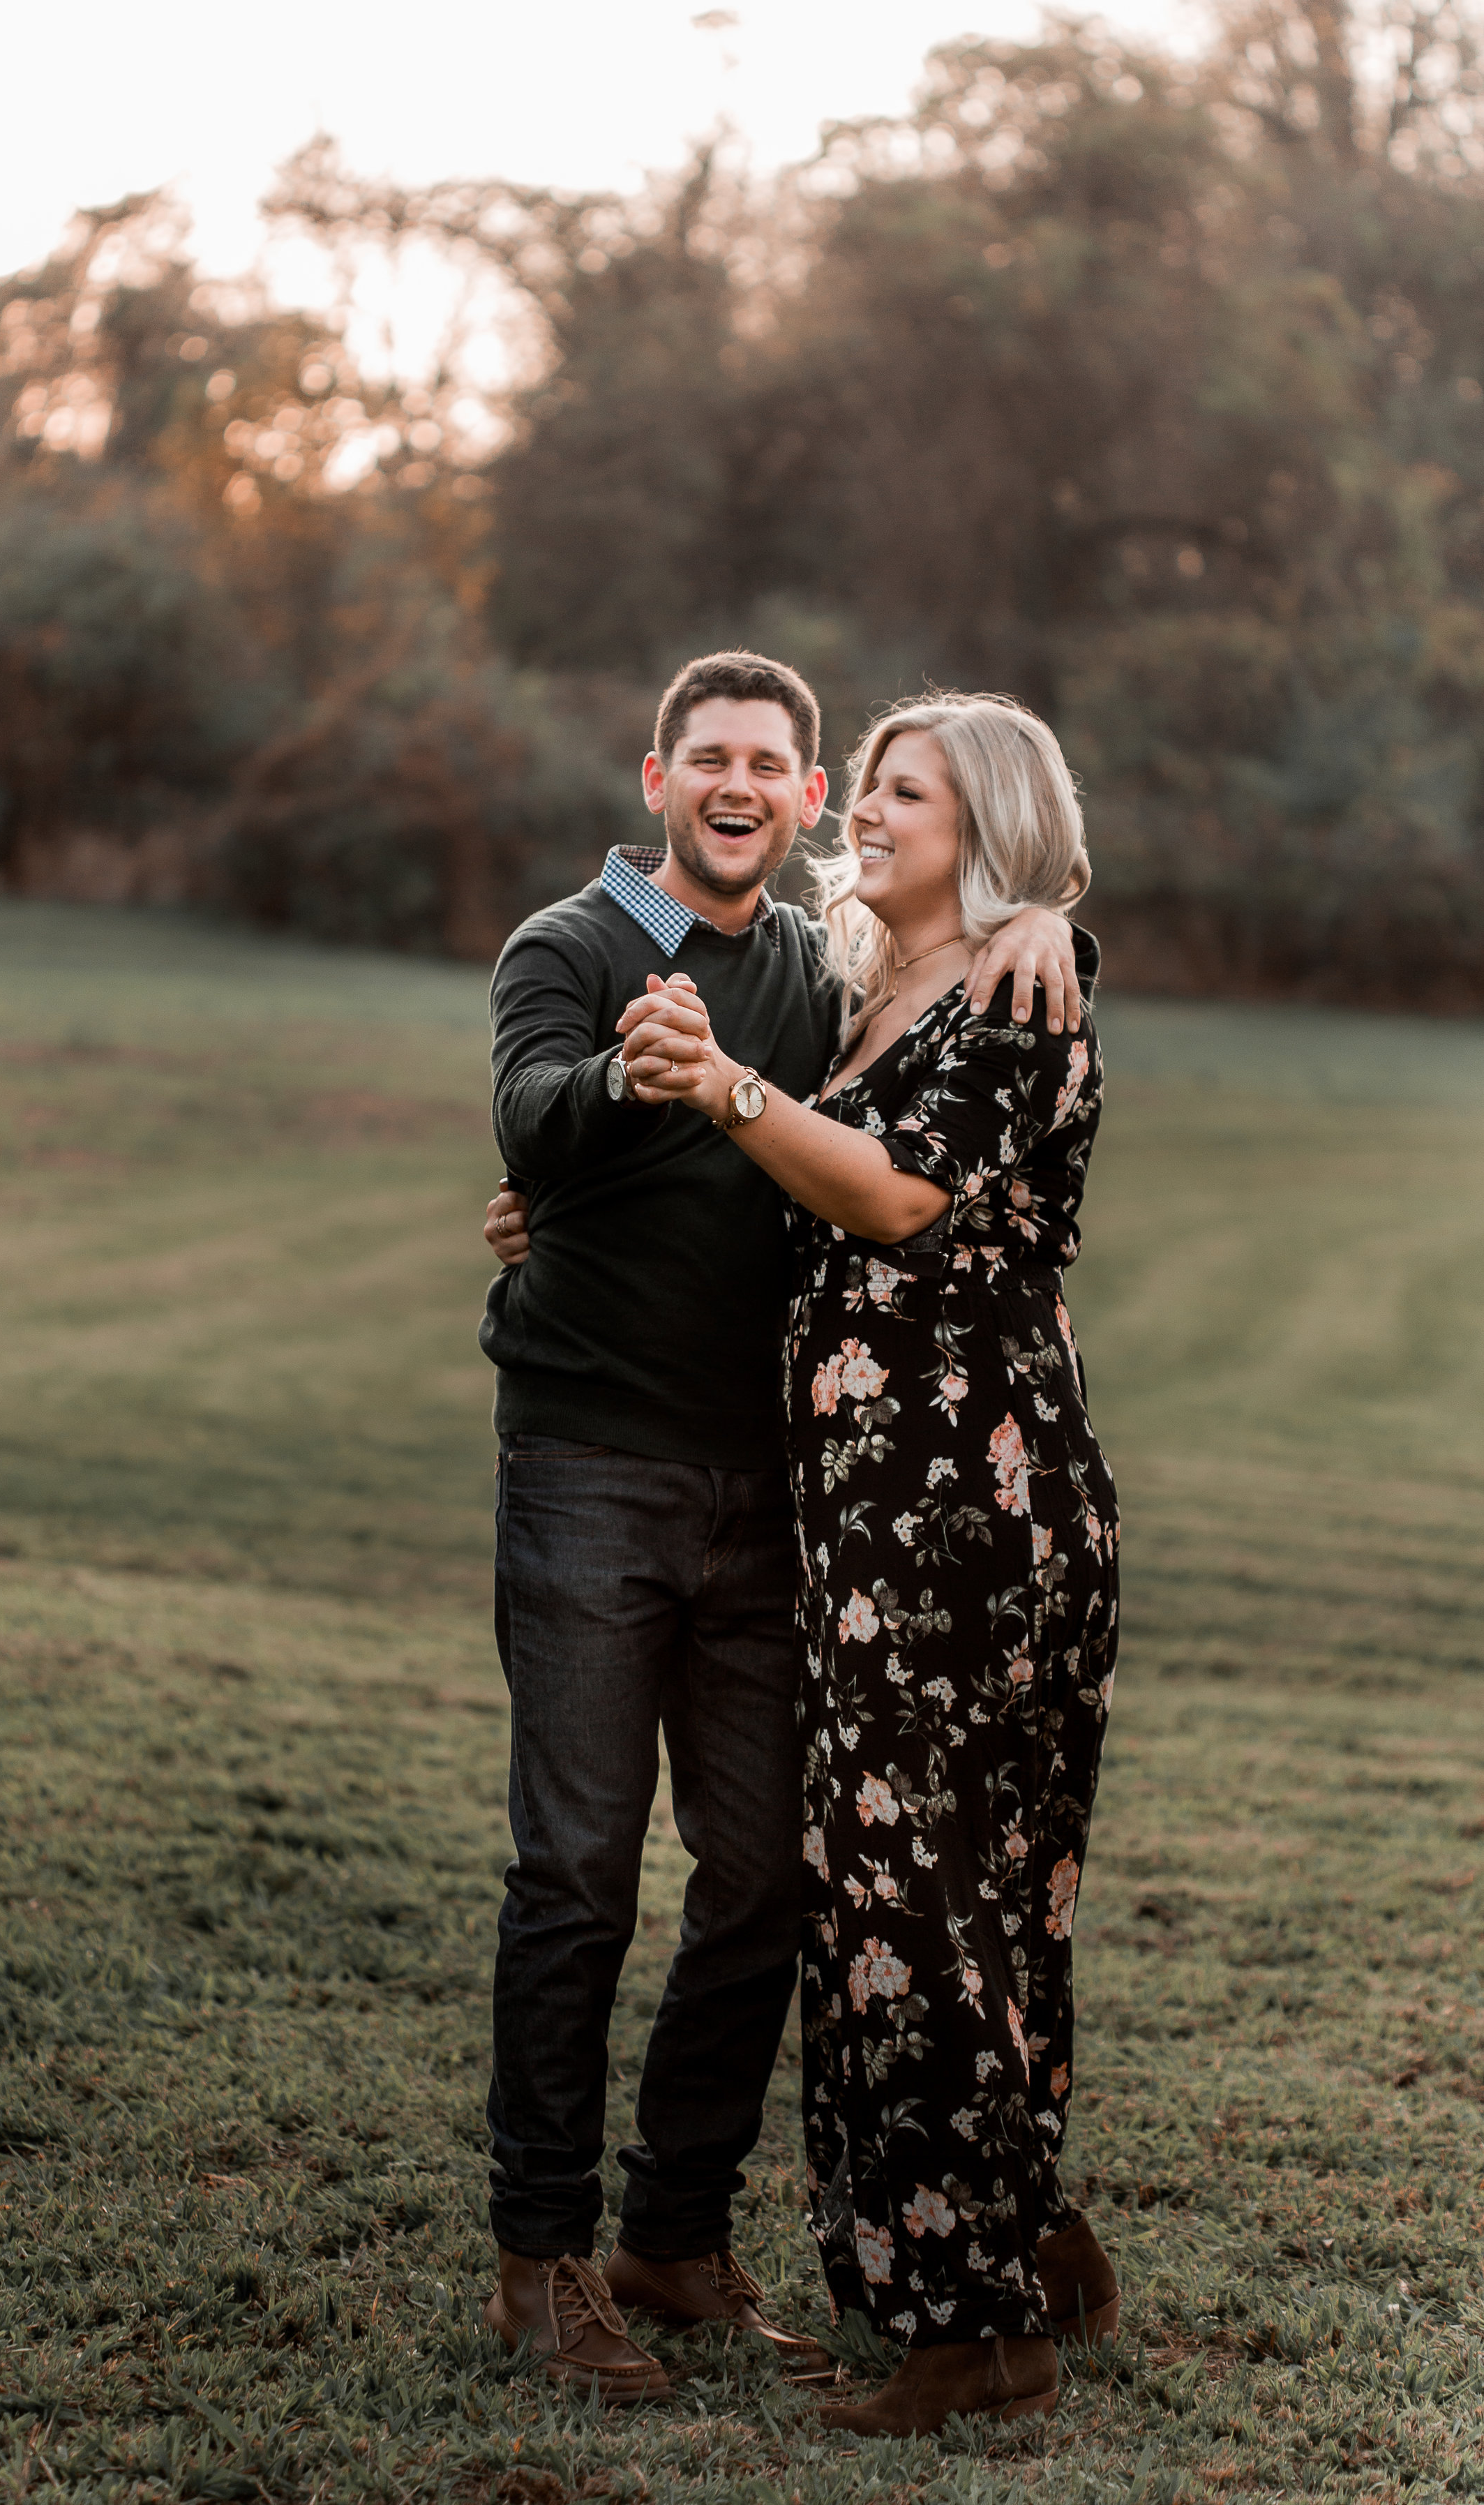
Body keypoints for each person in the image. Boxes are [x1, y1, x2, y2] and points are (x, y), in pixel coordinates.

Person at [475, 650, 1081, 2402]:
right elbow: (528, 1117)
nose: (740, 784)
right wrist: (623, 1085)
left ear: (802, 800)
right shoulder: (570, 950)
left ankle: (673, 2238)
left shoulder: (830, 980)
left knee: (763, 1884)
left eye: (775, 764)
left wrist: (1049, 914)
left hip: (777, 1501)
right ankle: (542, 2263)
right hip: (588, 1471)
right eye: (708, 758)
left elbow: (934, 1034)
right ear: (653, 777)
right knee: (577, 1877)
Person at [613, 691, 1120, 2437]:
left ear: (982, 824)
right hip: (871, 1505)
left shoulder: (1012, 985)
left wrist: (728, 1082)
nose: (873, 816)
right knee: (933, 1885)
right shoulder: (868, 986)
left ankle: (970, 2333)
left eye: (910, 792)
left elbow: (896, 1198)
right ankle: (1019, 2239)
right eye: (878, 789)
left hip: (965, 1514)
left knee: (921, 1893)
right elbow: (789, 1172)